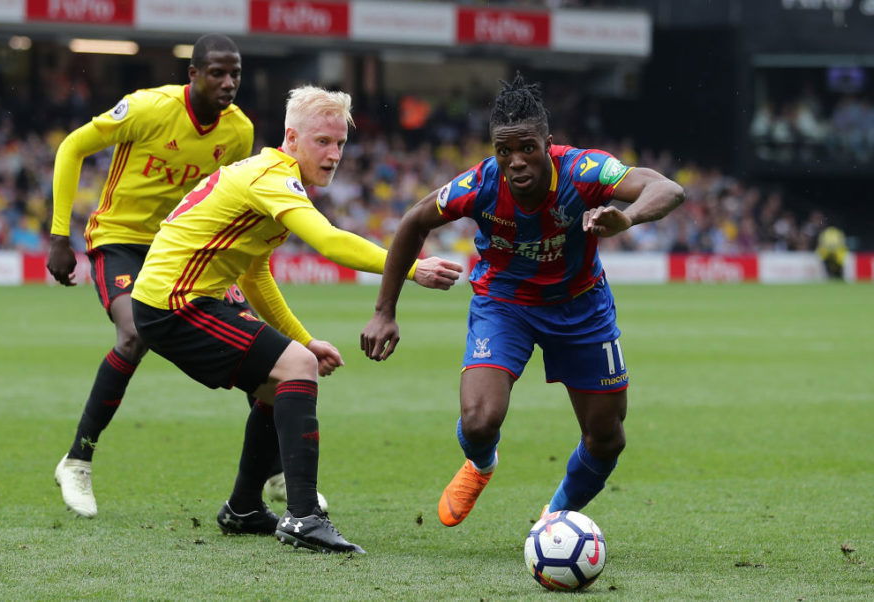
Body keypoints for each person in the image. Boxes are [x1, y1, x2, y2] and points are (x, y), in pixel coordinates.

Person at [130, 85, 462, 553]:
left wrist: (302, 339)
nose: (334, 155)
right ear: (291, 137)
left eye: (340, 143)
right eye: (322, 142)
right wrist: (410, 266)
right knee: (296, 369)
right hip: (174, 303)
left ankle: (244, 508)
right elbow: (329, 242)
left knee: (276, 382)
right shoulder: (272, 175)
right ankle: (304, 517)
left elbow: (254, 275)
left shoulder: (269, 176)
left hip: (180, 299)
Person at [360, 74, 684, 527]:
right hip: (505, 303)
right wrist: (383, 312)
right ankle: (481, 464)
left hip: (580, 305)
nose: (515, 161)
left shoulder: (584, 171)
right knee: (478, 420)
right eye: (504, 151)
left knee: (606, 437)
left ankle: (554, 520)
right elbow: (414, 222)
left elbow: (668, 188)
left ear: (548, 144)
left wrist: (626, 218)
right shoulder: (480, 183)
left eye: (527, 148)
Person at [48, 34, 291, 519]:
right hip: (121, 241)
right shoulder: (147, 108)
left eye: (236, 74)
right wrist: (59, 234)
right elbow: (73, 147)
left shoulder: (239, 132)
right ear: (193, 74)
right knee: (135, 333)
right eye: (218, 73)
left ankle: (276, 475)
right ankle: (77, 460)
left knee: (252, 340)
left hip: (184, 250)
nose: (228, 83)